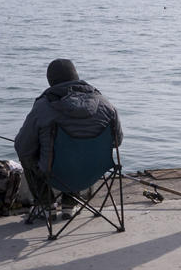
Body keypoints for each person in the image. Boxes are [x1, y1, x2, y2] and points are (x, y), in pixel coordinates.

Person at [14, 58, 122, 223]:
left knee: (28, 155)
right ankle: (69, 205)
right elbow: (117, 141)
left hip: (54, 175)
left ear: (50, 81)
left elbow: (22, 147)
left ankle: (46, 205)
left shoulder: (43, 106)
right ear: (76, 77)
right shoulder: (107, 105)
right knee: (78, 155)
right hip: (92, 174)